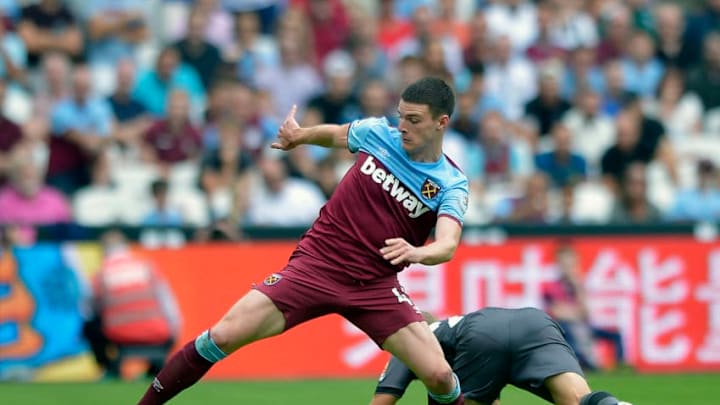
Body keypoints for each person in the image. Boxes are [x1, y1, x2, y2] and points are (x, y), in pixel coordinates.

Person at [136, 77, 469, 405]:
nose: (402, 126)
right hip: (315, 267)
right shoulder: (379, 134)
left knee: (440, 376)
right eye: (400, 116)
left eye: (413, 120)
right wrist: (300, 136)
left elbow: (448, 244)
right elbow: (337, 134)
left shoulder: (450, 183)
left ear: (441, 122)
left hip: (375, 286)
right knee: (220, 336)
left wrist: (417, 253)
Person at [371, 308, 631, 405]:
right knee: (578, 400)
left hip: (482, 334)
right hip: (535, 321)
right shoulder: (451, 334)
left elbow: (382, 401)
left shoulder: (409, 345)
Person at [84, 230, 181, 379]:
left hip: (120, 335)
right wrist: (174, 331)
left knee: (89, 325)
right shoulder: (147, 267)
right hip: (159, 333)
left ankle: (108, 369)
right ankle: (153, 370)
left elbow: (89, 309)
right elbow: (168, 303)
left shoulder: (101, 274)